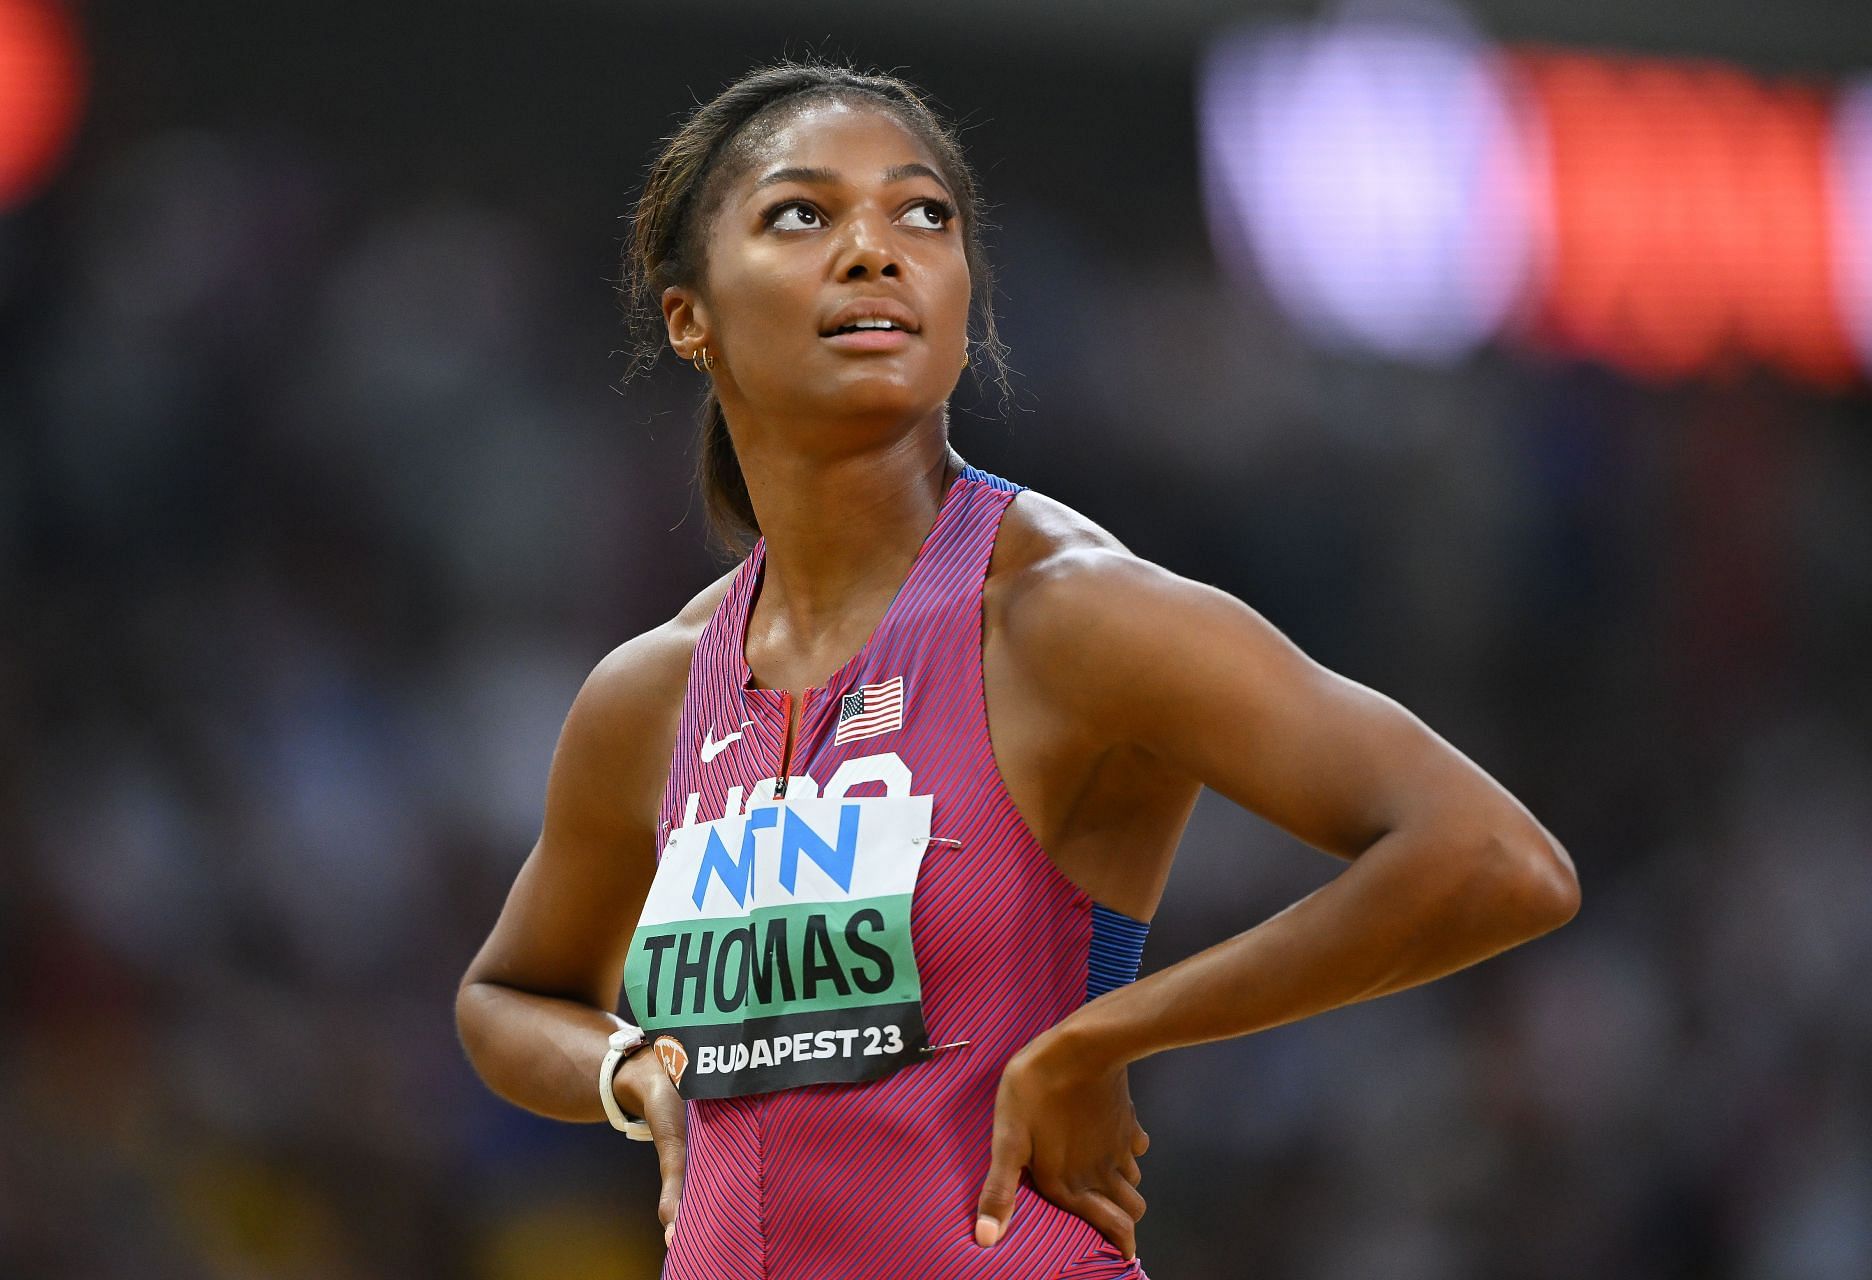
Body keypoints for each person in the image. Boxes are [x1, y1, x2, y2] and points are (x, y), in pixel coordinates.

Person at [453, 59, 1581, 1279]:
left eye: (921, 214)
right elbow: (506, 997)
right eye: (804, 213)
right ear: (691, 315)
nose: (877, 249)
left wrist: (1100, 1037)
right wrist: (629, 1071)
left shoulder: (1062, 613)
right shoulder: (656, 689)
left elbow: (1495, 859)